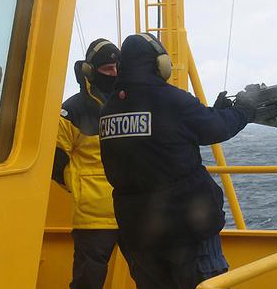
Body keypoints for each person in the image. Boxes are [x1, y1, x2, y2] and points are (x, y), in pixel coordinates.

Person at [98, 33, 255, 289]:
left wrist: (213, 110)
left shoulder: (109, 110)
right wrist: (243, 111)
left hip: (137, 229)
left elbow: (161, 137)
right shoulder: (170, 99)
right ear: (160, 64)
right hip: (186, 226)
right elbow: (215, 129)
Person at [51, 39, 121, 289]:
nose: (113, 74)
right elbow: (56, 160)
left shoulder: (130, 103)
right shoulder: (73, 110)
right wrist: (79, 187)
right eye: (107, 69)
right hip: (94, 216)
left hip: (135, 208)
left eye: (117, 67)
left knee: (151, 274)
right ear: (91, 71)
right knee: (88, 281)